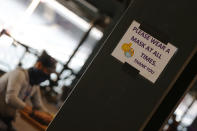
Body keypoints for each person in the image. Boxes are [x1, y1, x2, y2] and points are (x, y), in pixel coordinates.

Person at [0, 50, 57, 131]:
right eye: (48, 71)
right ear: (39, 65)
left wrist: (51, 117)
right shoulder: (19, 74)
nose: (48, 75)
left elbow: (38, 106)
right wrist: (33, 113)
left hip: (6, 119)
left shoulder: (34, 84)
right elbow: (10, 98)